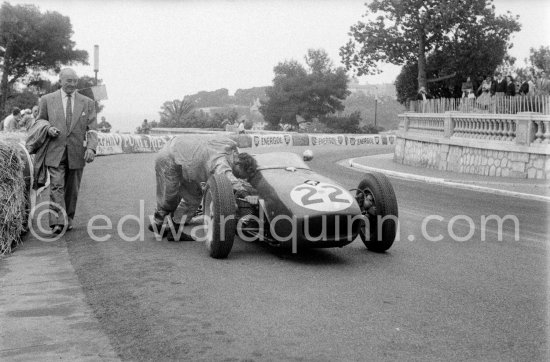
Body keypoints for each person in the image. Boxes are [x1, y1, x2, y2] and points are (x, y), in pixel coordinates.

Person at [149, 134, 257, 240]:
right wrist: (244, 193)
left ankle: (174, 229)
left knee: (194, 197)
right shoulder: (221, 159)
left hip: (185, 161)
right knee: (169, 196)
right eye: (239, 174)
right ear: (238, 164)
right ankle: (158, 223)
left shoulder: (231, 148)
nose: (238, 176)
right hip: (169, 157)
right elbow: (227, 175)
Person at [36, 68, 98, 235]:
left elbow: (92, 130)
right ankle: (57, 222)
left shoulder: (87, 102)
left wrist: (91, 148)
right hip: (55, 151)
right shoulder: (47, 100)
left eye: (74, 81)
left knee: (72, 189)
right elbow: (39, 121)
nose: (72, 84)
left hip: (77, 152)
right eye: (68, 80)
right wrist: (48, 128)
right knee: (56, 186)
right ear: (60, 80)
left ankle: (68, 218)